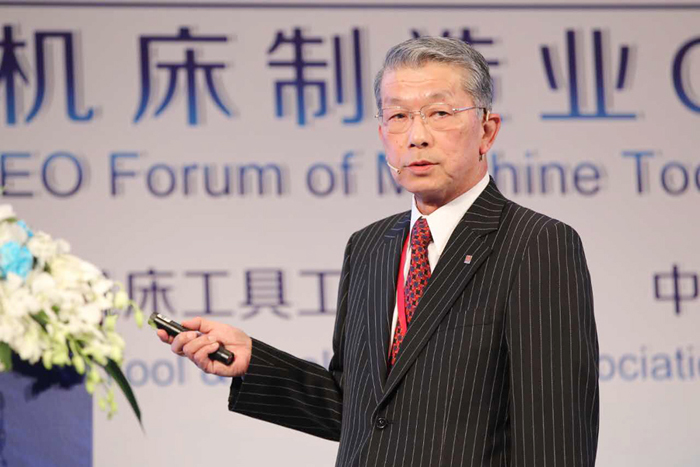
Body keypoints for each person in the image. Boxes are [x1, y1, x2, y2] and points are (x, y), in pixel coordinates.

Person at [157, 37, 599, 466]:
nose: (416, 136)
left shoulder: (536, 243)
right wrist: (254, 362)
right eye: (398, 116)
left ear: (487, 130)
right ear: (382, 131)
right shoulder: (369, 245)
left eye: (439, 113)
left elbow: (555, 436)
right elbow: (361, 410)